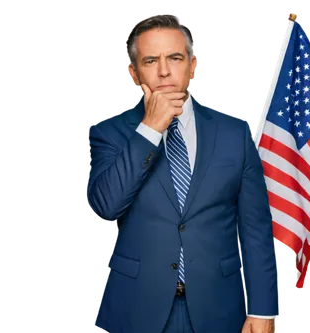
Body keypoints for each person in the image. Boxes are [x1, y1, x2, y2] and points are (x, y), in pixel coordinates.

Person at [86, 13, 279, 333]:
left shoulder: (234, 133)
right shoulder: (108, 134)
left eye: (175, 58)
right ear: (133, 74)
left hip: (220, 309)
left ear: (193, 65)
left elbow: (256, 231)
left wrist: (263, 310)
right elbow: (106, 206)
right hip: (135, 311)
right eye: (151, 60)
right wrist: (150, 129)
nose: (164, 71)